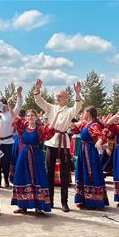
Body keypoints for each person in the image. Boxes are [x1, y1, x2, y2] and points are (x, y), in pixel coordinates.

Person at [33, 79, 82, 212]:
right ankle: (50, 201)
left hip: (64, 143)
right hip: (51, 142)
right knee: (49, 173)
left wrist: (77, 93)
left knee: (65, 174)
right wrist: (37, 89)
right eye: (56, 96)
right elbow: (39, 101)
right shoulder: (51, 108)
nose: (57, 97)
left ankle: (64, 202)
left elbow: (78, 107)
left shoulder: (69, 110)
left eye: (59, 96)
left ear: (65, 99)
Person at [11, 109, 56, 214]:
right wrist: (9, 105)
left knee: (37, 178)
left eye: (32, 115)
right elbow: (14, 117)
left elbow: (50, 130)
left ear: (36, 117)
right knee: (22, 177)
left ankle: (39, 206)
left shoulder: (39, 129)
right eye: (28, 115)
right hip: (24, 155)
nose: (30, 117)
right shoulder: (23, 128)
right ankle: (22, 206)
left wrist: (56, 115)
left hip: (36, 155)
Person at [71, 106, 109, 209]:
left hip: (90, 151)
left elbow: (100, 135)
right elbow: (74, 129)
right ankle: (82, 199)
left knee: (91, 172)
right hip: (83, 150)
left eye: (84, 112)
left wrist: (100, 141)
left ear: (89, 114)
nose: (83, 113)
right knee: (82, 173)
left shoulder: (94, 125)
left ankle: (93, 200)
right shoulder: (84, 124)